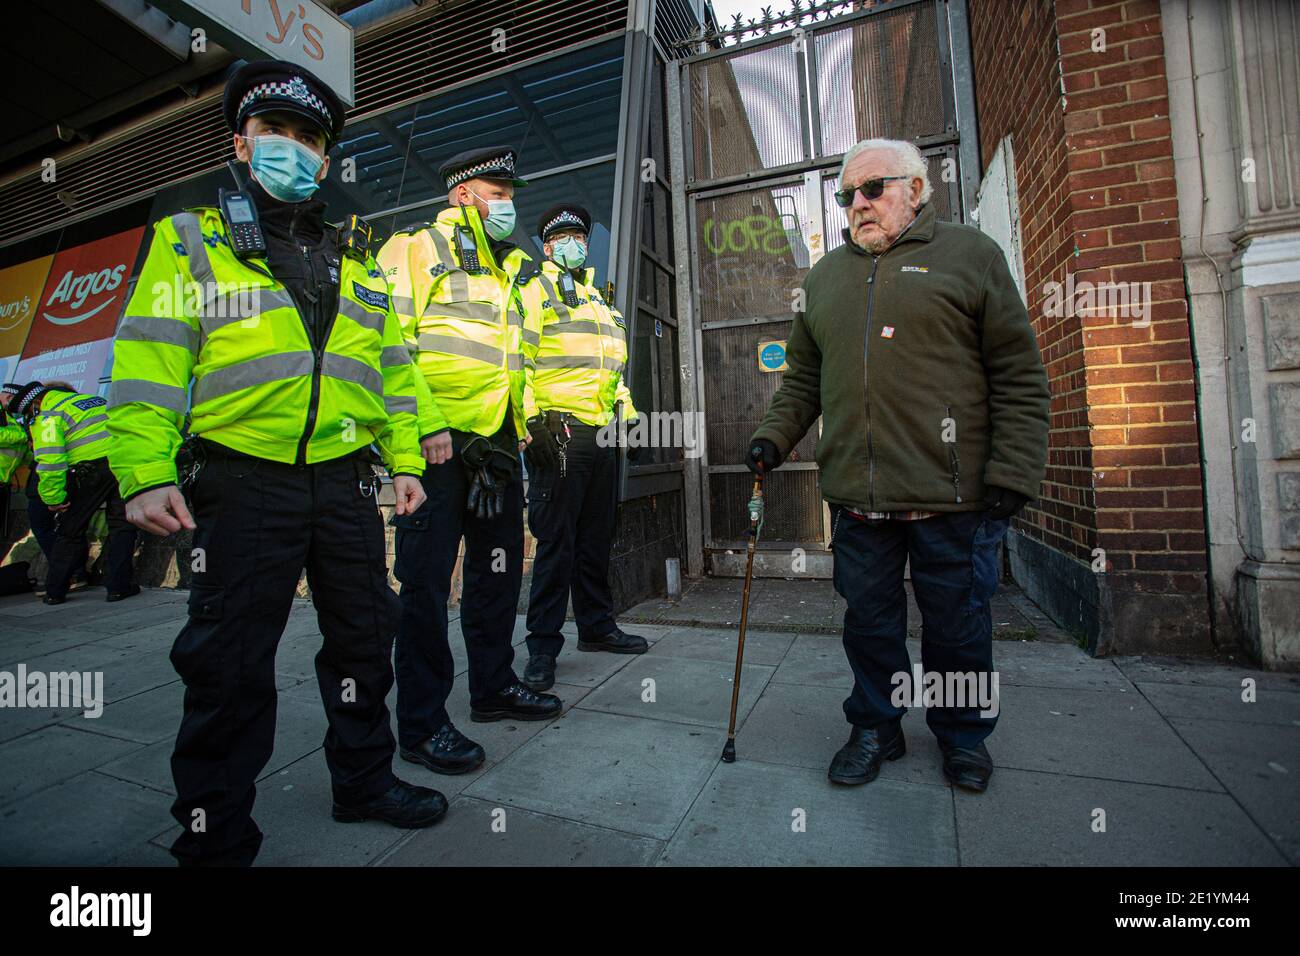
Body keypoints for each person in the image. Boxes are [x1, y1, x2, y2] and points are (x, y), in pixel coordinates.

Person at [107, 59, 446, 866]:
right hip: (240, 477)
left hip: (344, 482)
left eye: (307, 138)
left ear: (325, 160)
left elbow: (392, 374)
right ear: (241, 141)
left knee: (366, 639)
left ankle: (363, 780)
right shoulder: (193, 238)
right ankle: (215, 830)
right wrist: (142, 468)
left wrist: (406, 460)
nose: (290, 148)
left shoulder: (355, 262)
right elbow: (150, 357)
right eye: (275, 133)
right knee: (228, 662)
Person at [749, 138, 1050, 794]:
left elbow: (1019, 375)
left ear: (917, 188)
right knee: (870, 622)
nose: (856, 205)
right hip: (858, 497)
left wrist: (1013, 471)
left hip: (955, 497)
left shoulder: (970, 257)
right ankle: (876, 726)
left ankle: (963, 735)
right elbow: (802, 377)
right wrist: (773, 438)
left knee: (958, 625)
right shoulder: (826, 277)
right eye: (844, 197)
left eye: (872, 189)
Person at [376, 146, 562, 779]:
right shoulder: (414, 248)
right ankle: (423, 724)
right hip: (436, 447)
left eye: (512, 190)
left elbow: (509, 361)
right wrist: (425, 429)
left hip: (496, 450)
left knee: (496, 575)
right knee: (426, 586)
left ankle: (493, 687)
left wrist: (518, 430)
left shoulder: (510, 268)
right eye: (496, 189)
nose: (508, 201)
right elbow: (389, 348)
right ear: (462, 194)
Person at [516, 203, 646, 692]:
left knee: (596, 539)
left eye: (580, 237)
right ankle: (542, 649)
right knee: (557, 544)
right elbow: (519, 363)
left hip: (601, 434)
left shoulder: (600, 302)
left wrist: (629, 418)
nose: (573, 245)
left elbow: (612, 374)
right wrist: (529, 422)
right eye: (563, 238)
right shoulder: (534, 293)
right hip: (559, 435)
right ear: (547, 247)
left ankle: (596, 627)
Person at [8, 381, 137, 605]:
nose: (31, 418)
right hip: (121, 463)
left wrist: (54, 499)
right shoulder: (91, 399)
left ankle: (55, 592)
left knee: (70, 532)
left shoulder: (47, 415)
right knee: (122, 525)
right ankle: (118, 587)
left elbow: (50, 462)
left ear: (34, 405)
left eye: (29, 413)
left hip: (89, 473)